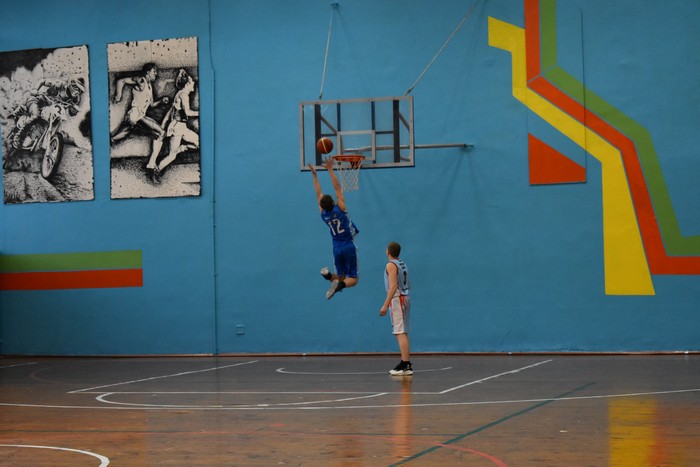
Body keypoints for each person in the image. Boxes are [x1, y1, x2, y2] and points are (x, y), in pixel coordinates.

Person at [309, 158, 359, 299]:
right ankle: (338, 284)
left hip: (336, 247)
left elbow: (318, 194)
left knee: (341, 277)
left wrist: (315, 175)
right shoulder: (340, 208)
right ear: (333, 202)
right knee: (353, 279)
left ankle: (328, 275)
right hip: (348, 245)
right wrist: (330, 170)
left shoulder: (323, 214)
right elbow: (337, 188)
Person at [147, 68, 200, 181]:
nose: (193, 83)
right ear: (187, 84)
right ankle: (156, 171)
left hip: (181, 127)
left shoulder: (180, 94)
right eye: (191, 81)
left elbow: (171, 112)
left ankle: (181, 148)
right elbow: (187, 112)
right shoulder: (183, 95)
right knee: (172, 155)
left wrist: (165, 124)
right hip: (177, 127)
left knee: (198, 143)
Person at [110, 62, 170, 146]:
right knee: (160, 131)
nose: (156, 73)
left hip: (139, 115)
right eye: (154, 71)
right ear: (147, 72)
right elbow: (121, 81)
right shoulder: (141, 80)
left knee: (126, 131)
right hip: (135, 114)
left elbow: (152, 104)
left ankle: (111, 140)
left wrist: (161, 101)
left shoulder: (149, 86)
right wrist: (118, 95)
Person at [380, 241, 412, 376]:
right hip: (405, 296)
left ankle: (406, 365)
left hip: (398, 299)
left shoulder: (390, 265)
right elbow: (407, 283)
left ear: (388, 251)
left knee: (399, 332)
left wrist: (385, 304)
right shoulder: (402, 263)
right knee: (403, 332)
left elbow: (393, 286)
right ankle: (405, 362)